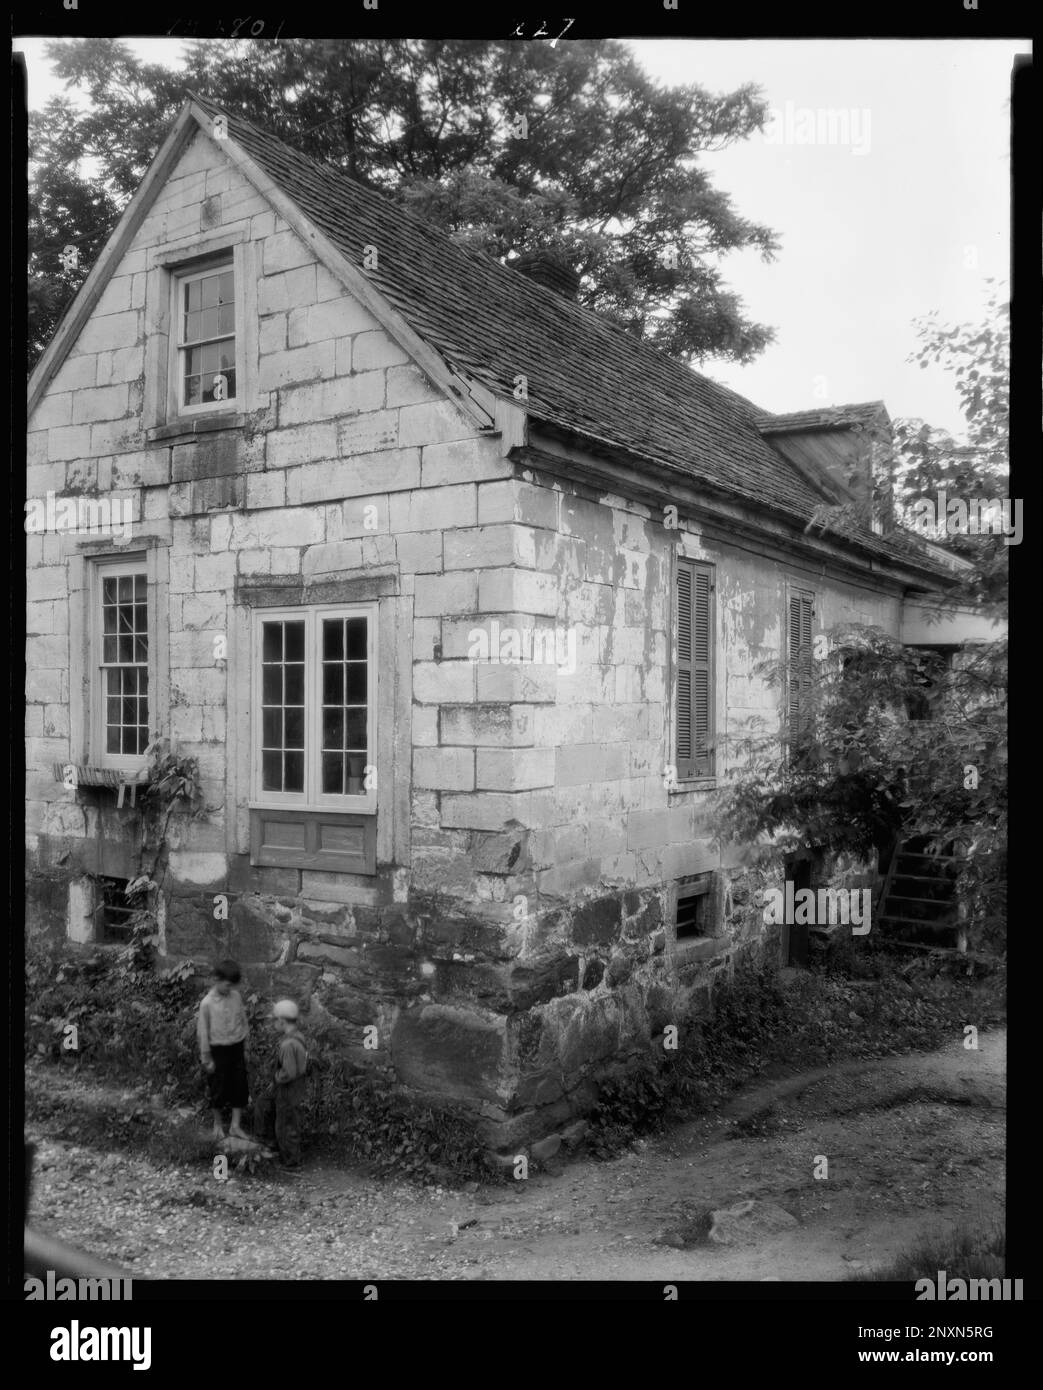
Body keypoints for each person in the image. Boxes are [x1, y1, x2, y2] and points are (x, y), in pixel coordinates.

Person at [197, 959, 249, 1142]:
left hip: (236, 1047)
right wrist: (206, 1058)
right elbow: (203, 1032)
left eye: (232, 985)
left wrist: (246, 1045)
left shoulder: (236, 997)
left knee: (240, 1085)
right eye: (227, 985)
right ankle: (218, 1124)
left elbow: (243, 1020)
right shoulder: (207, 1004)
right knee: (217, 1088)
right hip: (217, 1050)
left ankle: (235, 1126)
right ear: (216, 980)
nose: (230, 989)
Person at [254, 1000, 308, 1172]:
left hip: (288, 1088)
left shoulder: (288, 1044)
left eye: (274, 1021)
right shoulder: (298, 1036)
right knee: (264, 1104)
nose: (273, 1024)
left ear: (282, 1022)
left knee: (286, 1124)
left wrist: (277, 1077)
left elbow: (290, 1072)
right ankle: (268, 1144)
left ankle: (292, 1162)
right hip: (288, 1086)